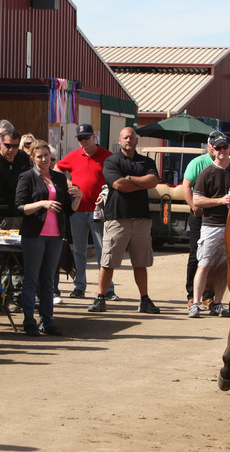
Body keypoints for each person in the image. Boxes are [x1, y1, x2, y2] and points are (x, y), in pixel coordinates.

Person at [87, 127, 161, 314]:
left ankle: (144, 300)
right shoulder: (112, 161)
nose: (129, 140)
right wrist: (138, 182)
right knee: (108, 260)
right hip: (117, 217)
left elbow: (153, 181)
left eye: (132, 137)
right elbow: (118, 185)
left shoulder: (147, 161)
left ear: (137, 140)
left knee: (140, 262)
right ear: (119, 140)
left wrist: (129, 179)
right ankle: (100, 298)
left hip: (142, 218)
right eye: (125, 137)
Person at [16, 140, 80, 336]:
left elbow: (69, 210)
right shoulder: (26, 177)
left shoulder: (60, 178)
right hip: (34, 235)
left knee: (48, 281)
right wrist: (42, 203)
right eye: (40, 156)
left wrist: (79, 196)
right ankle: (29, 321)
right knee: (31, 279)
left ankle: (47, 321)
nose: (44, 160)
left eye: (48, 156)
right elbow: (20, 207)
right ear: (32, 158)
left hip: (55, 236)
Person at [54, 123, 116, 299]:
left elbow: (115, 178)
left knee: (103, 250)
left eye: (86, 138)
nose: (83, 142)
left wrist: (106, 195)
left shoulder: (107, 156)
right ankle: (79, 286)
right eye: (80, 139)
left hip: (99, 210)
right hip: (78, 210)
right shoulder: (73, 156)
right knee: (79, 250)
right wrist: (69, 184)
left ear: (94, 137)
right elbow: (57, 169)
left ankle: (107, 289)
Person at [189, 133, 230, 318]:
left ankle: (217, 303)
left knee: (225, 267)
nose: (222, 151)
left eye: (224, 147)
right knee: (203, 264)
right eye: (218, 148)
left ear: (229, 149)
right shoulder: (206, 173)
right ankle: (195, 303)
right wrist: (220, 201)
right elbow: (197, 200)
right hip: (211, 226)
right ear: (212, 149)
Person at [0, 128, 32, 307]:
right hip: (3, 216)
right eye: (7, 146)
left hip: (22, 213)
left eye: (14, 146)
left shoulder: (22, 158)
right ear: (0, 144)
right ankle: (3, 297)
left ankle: (19, 297)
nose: (11, 150)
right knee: (3, 258)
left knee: (21, 257)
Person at [181, 138, 218, 307]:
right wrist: (194, 206)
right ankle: (191, 294)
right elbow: (186, 186)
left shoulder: (228, 164)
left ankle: (209, 296)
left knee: (215, 257)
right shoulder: (197, 163)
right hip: (199, 215)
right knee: (195, 254)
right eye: (215, 145)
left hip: (217, 217)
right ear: (208, 146)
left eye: (222, 146)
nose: (217, 149)